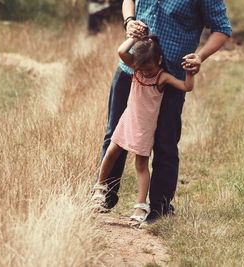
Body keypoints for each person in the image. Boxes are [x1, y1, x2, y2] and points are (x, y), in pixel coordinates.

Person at [97, 0, 232, 226]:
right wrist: (129, 21)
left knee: (165, 143)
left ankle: (158, 208)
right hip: (133, 68)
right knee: (115, 134)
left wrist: (200, 56)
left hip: (171, 72)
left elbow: (222, 29)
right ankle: (104, 196)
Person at [92, 35, 195, 223]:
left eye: (150, 68)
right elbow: (121, 52)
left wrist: (190, 71)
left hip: (145, 128)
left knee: (141, 165)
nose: (146, 73)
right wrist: (132, 37)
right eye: (142, 69)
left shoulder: (161, 76)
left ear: (160, 60)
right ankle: (100, 187)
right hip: (128, 119)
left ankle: (141, 205)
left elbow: (186, 86)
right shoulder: (136, 69)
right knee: (111, 153)